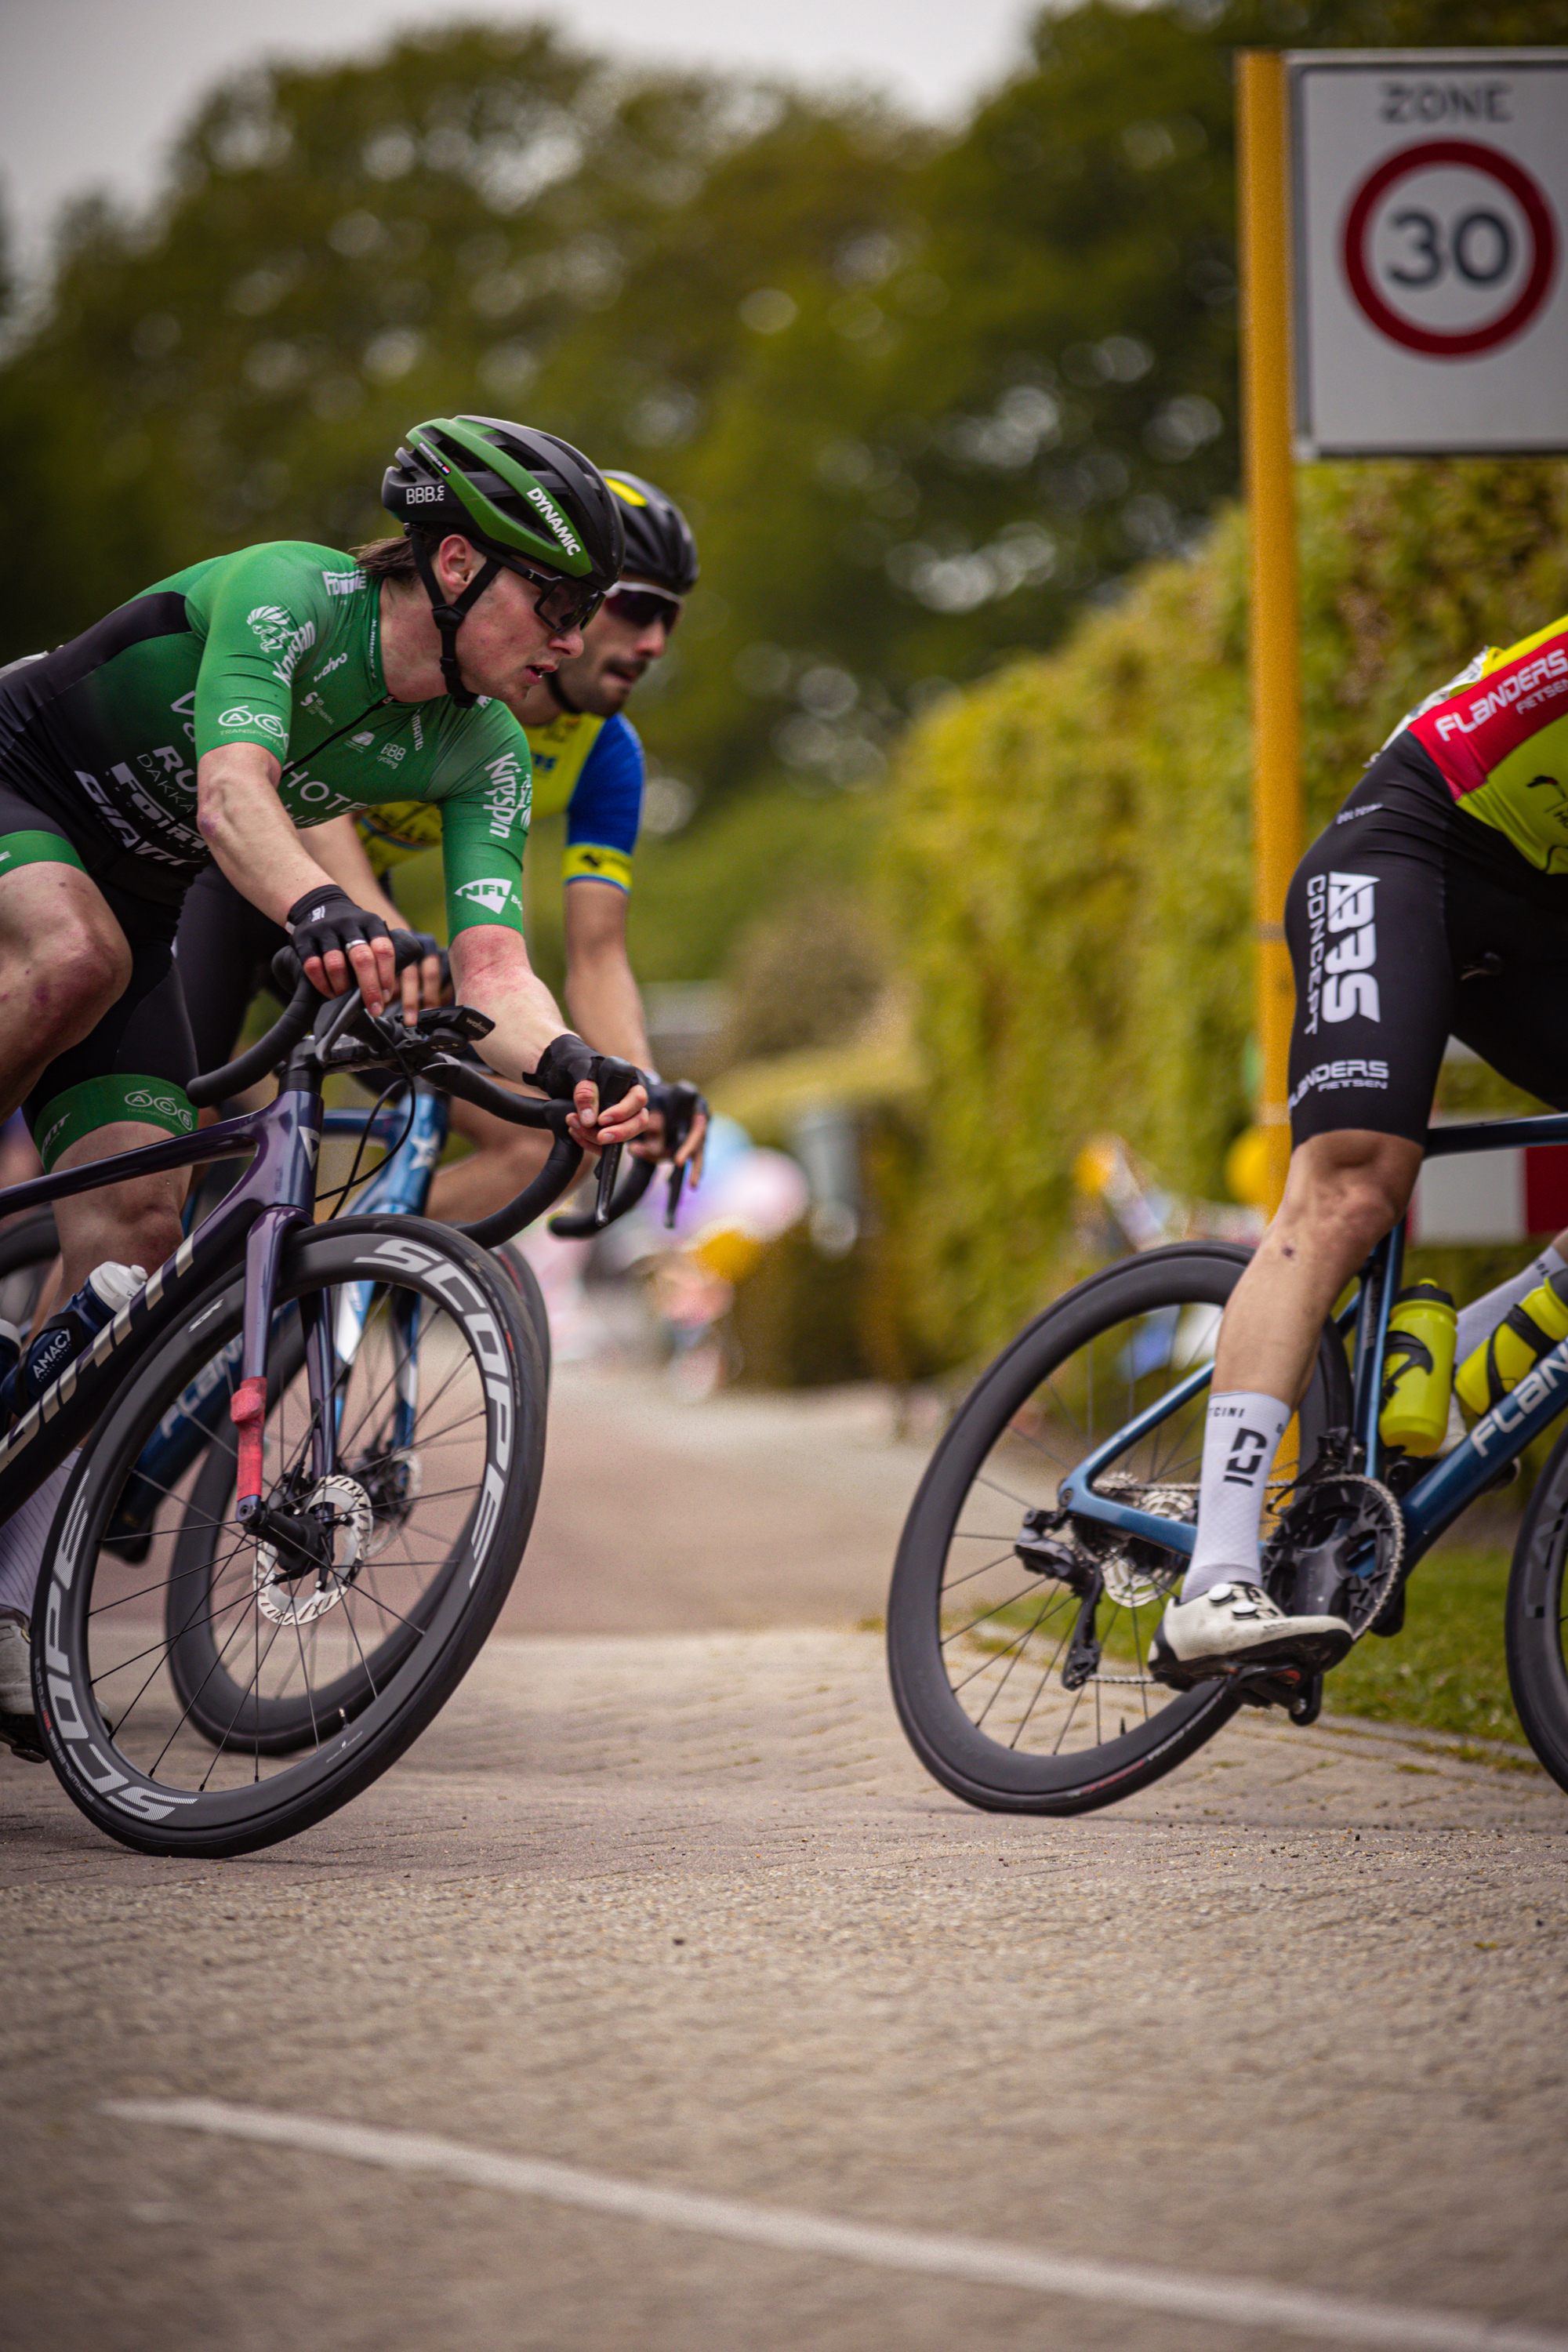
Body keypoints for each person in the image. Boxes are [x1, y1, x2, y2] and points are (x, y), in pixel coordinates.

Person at [0, 412, 648, 1722]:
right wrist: (318, 906)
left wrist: (572, 1060)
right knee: (72, 961)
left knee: (133, 1229)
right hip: (23, 783)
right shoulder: (294, 590)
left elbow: (493, 973)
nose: (574, 640)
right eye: (558, 600)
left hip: (144, 889)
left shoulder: (486, 748)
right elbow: (234, 792)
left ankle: (14, 1598)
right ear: (457, 564)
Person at [1154, 610, 1568, 1681]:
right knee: (1353, 1184)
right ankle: (1217, 1579)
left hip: (1538, 921)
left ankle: (1451, 1358)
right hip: (1407, 849)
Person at [176, 470, 708, 1221]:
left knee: (542, 1145)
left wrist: (640, 1089)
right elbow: (306, 795)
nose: (653, 642)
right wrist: (379, 924)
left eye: (671, 621)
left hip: (378, 932)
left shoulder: (606, 755)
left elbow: (597, 953)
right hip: (255, 879)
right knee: (157, 1163)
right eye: (635, 606)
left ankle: (305, 1282)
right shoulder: (460, 662)